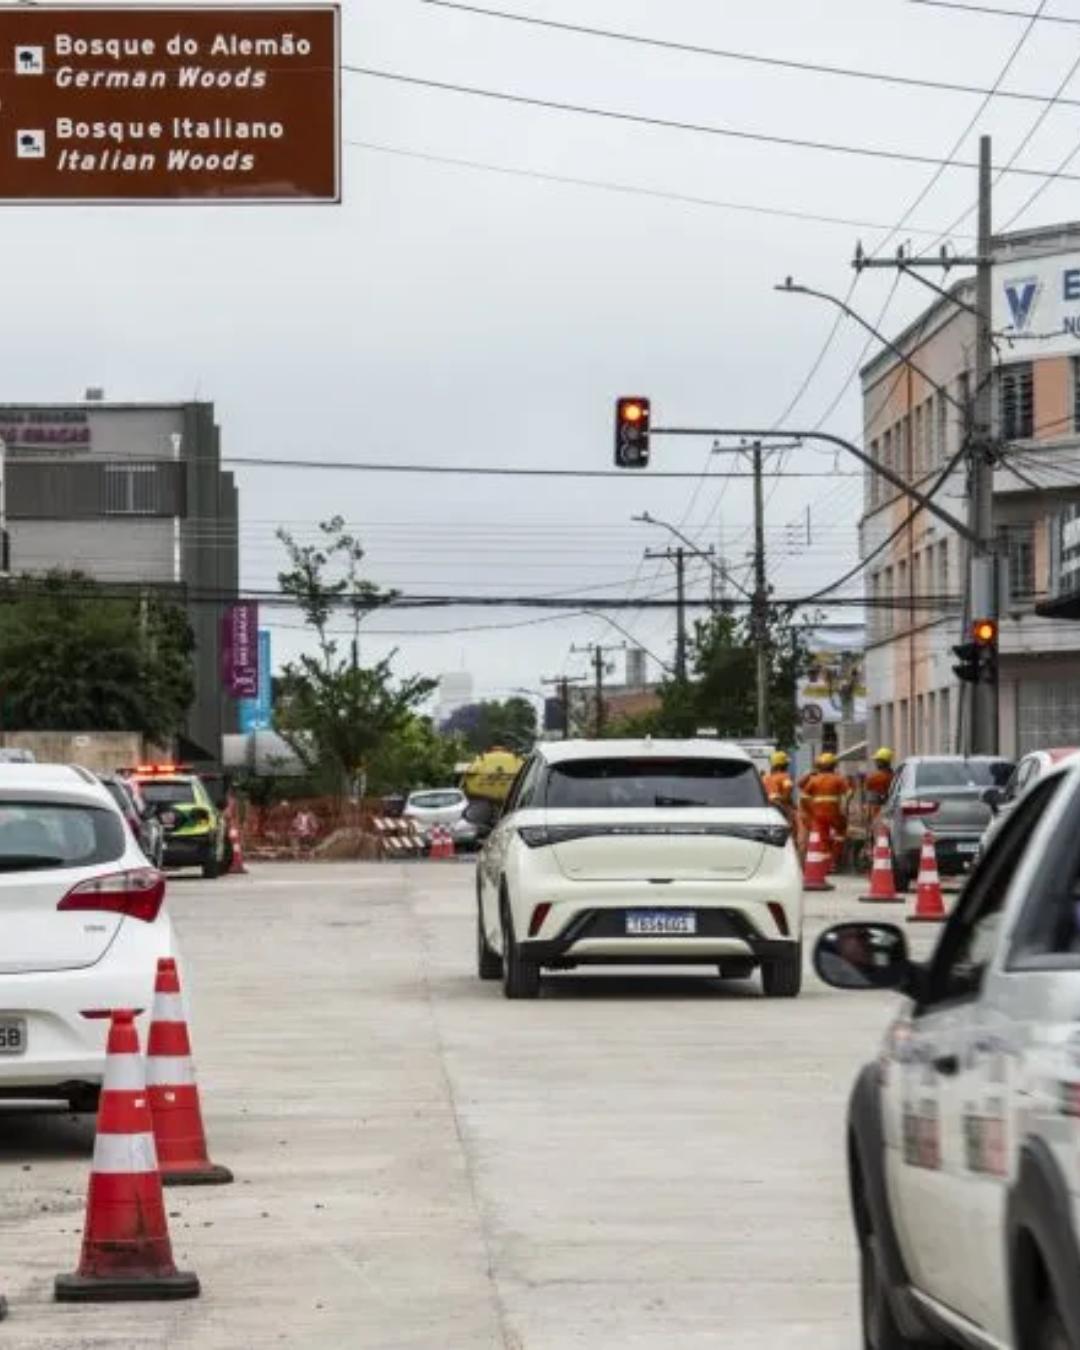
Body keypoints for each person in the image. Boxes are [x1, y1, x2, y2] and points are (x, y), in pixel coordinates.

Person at [798, 752, 852, 870]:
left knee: (822, 837)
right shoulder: (839, 779)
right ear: (833, 766)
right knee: (840, 833)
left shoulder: (814, 780)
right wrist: (845, 806)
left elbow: (803, 797)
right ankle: (833, 862)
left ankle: (823, 864)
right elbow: (849, 793)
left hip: (818, 814)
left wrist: (811, 810)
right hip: (834, 813)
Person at [761, 751, 796, 829]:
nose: (787, 766)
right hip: (781, 808)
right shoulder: (785, 777)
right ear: (781, 765)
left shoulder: (765, 778)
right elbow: (787, 795)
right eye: (786, 764)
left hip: (767, 808)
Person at [864, 748, 895, 828]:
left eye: (877, 761)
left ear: (880, 762)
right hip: (894, 814)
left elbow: (871, 801)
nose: (875, 763)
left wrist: (868, 819)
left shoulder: (873, 778)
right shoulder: (895, 777)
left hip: (878, 815)